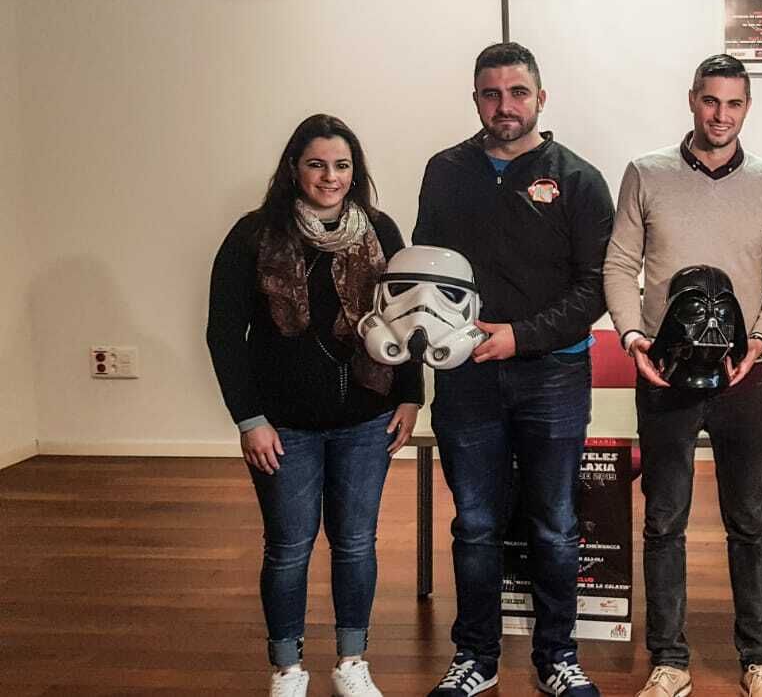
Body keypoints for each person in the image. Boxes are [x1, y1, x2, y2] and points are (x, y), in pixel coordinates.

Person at [415, 42, 615, 697]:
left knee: (554, 523)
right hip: (466, 378)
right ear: (476, 99)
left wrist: (521, 337)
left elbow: (597, 288)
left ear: (541, 98)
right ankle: (477, 657)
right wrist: (456, 337)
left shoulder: (579, 179)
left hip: (553, 377)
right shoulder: (444, 171)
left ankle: (558, 657)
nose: (505, 105)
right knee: (474, 523)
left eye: (517, 92)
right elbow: (426, 272)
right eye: (491, 94)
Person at [207, 114, 423, 697]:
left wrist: (411, 397)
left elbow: (408, 318)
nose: (331, 176)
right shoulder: (253, 236)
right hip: (283, 428)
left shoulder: (380, 230)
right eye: (317, 164)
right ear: (294, 169)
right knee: (288, 548)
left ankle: (352, 662)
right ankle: (287, 669)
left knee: (356, 544)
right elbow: (224, 335)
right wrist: (249, 420)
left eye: (342, 165)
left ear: (356, 171)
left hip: (367, 418)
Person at [603, 53, 762, 697]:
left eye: (734, 103)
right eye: (711, 101)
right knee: (665, 520)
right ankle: (670, 660)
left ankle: (757, 658)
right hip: (663, 373)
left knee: (747, 520)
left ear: (748, 107)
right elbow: (619, 262)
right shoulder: (646, 172)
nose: (721, 115)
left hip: (742, 374)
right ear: (692, 100)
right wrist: (632, 337)